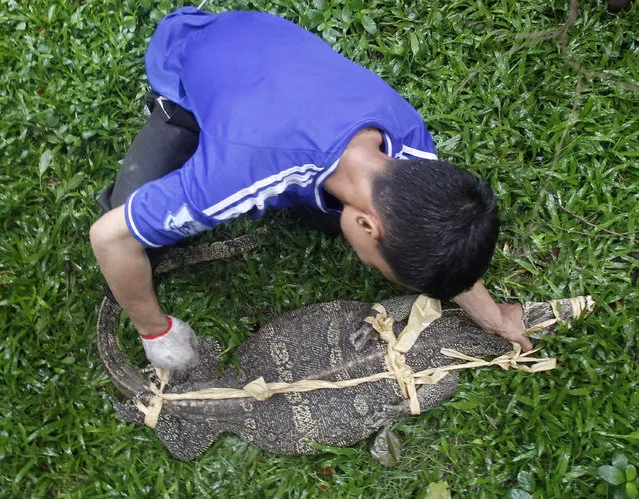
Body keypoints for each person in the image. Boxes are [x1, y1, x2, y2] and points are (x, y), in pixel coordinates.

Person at [90, 7, 532, 371]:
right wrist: (156, 332)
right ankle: (172, 115)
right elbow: (107, 239)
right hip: (193, 61)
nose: (374, 269)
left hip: (274, 62)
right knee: (133, 244)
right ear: (365, 222)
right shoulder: (239, 172)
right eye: (380, 267)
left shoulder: (412, 149)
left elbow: (435, 234)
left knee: (326, 217)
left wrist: (491, 315)